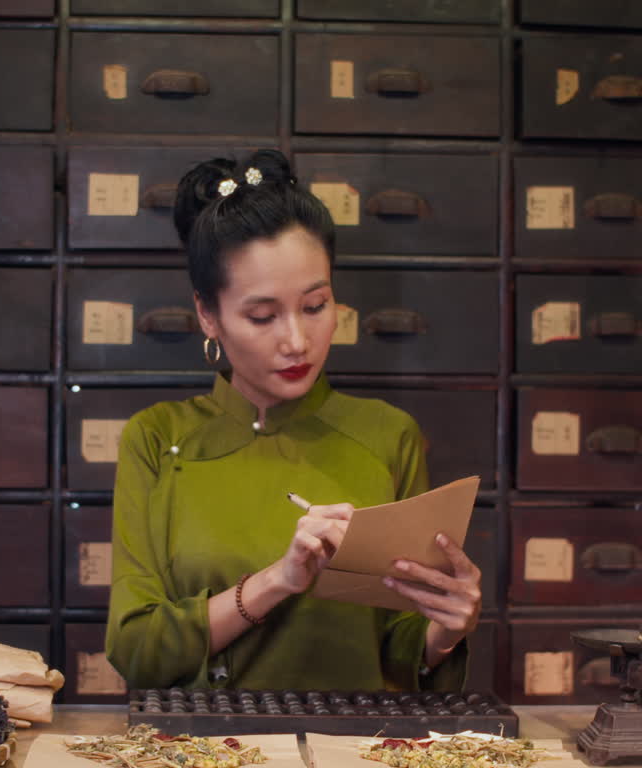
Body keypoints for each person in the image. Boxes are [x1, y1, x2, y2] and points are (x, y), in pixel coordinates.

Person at [106, 150, 481, 692]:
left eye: (315, 305)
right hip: (211, 760)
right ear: (208, 315)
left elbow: (401, 652)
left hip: (356, 759)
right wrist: (279, 581)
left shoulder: (387, 435)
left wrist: (446, 627)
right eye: (262, 316)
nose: (297, 341)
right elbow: (136, 651)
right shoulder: (159, 438)